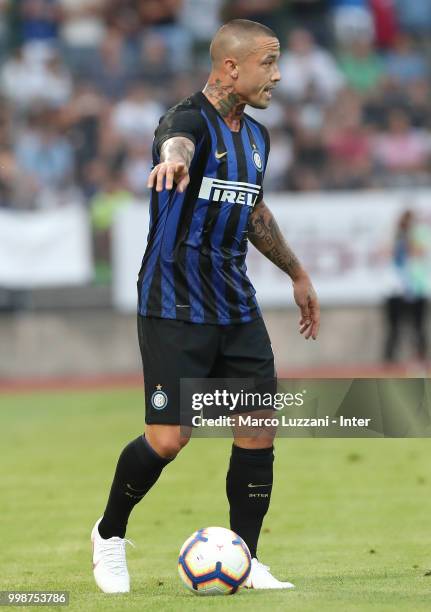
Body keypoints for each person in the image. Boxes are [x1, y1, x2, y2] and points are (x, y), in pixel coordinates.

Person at [91, 19, 320, 593]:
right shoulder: (186, 120)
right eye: (268, 62)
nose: (278, 73)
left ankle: (246, 558)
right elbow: (177, 143)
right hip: (173, 301)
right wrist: (172, 161)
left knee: (258, 429)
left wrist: (295, 271)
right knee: (169, 438)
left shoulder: (259, 138)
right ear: (230, 68)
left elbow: (255, 214)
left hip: (234, 303)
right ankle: (109, 535)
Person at [384, 209, 430, 363]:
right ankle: (389, 362)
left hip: (416, 289)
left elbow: (419, 252)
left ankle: (420, 359)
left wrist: (409, 239)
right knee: (394, 330)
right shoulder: (393, 236)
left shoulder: (420, 235)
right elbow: (387, 254)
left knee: (418, 328)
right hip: (395, 289)